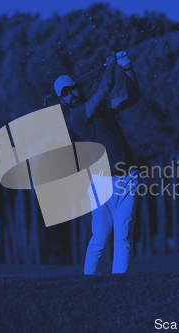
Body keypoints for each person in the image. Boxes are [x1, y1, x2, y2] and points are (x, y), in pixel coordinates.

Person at [53, 51, 140, 274]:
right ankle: (88, 282)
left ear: (77, 86)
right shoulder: (77, 116)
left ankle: (121, 284)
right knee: (100, 236)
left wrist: (127, 67)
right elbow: (105, 87)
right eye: (65, 94)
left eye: (71, 88)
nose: (71, 95)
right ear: (62, 100)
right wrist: (111, 64)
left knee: (123, 234)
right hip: (101, 184)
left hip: (128, 177)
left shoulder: (102, 107)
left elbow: (133, 96)